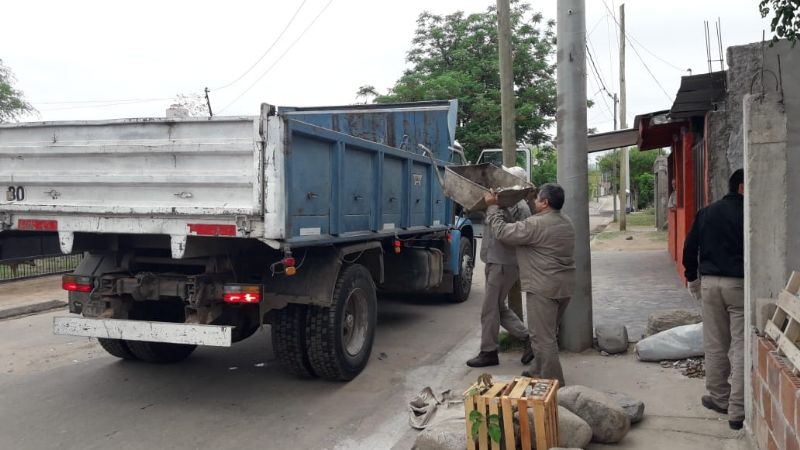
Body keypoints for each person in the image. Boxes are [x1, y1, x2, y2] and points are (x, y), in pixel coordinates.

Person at [484, 183, 575, 387]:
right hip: (563, 287)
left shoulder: (535, 225)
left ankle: (554, 383)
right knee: (547, 333)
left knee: (543, 338)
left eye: (537, 199)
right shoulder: (565, 221)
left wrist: (492, 207)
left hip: (543, 288)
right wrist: (530, 196)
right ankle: (537, 369)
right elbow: (540, 218)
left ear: (545, 203)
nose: (534, 202)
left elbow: (502, 232)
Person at [682, 169, 744, 430]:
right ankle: (738, 410)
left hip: (709, 284)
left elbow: (689, 246)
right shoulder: (750, 212)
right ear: (741, 186)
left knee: (716, 344)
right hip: (740, 284)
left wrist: (692, 277)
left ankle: (720, 398)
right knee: (741, 345)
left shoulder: (707, 212)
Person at [466, 166, 533, 368]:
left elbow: (505, 232)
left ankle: (488, 352)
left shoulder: (517, 206)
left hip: (503, 263)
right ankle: (529, 339)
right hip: (497, 261)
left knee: (489, 309)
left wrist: (494, 207)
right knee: (498, 307)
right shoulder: (504, 200)